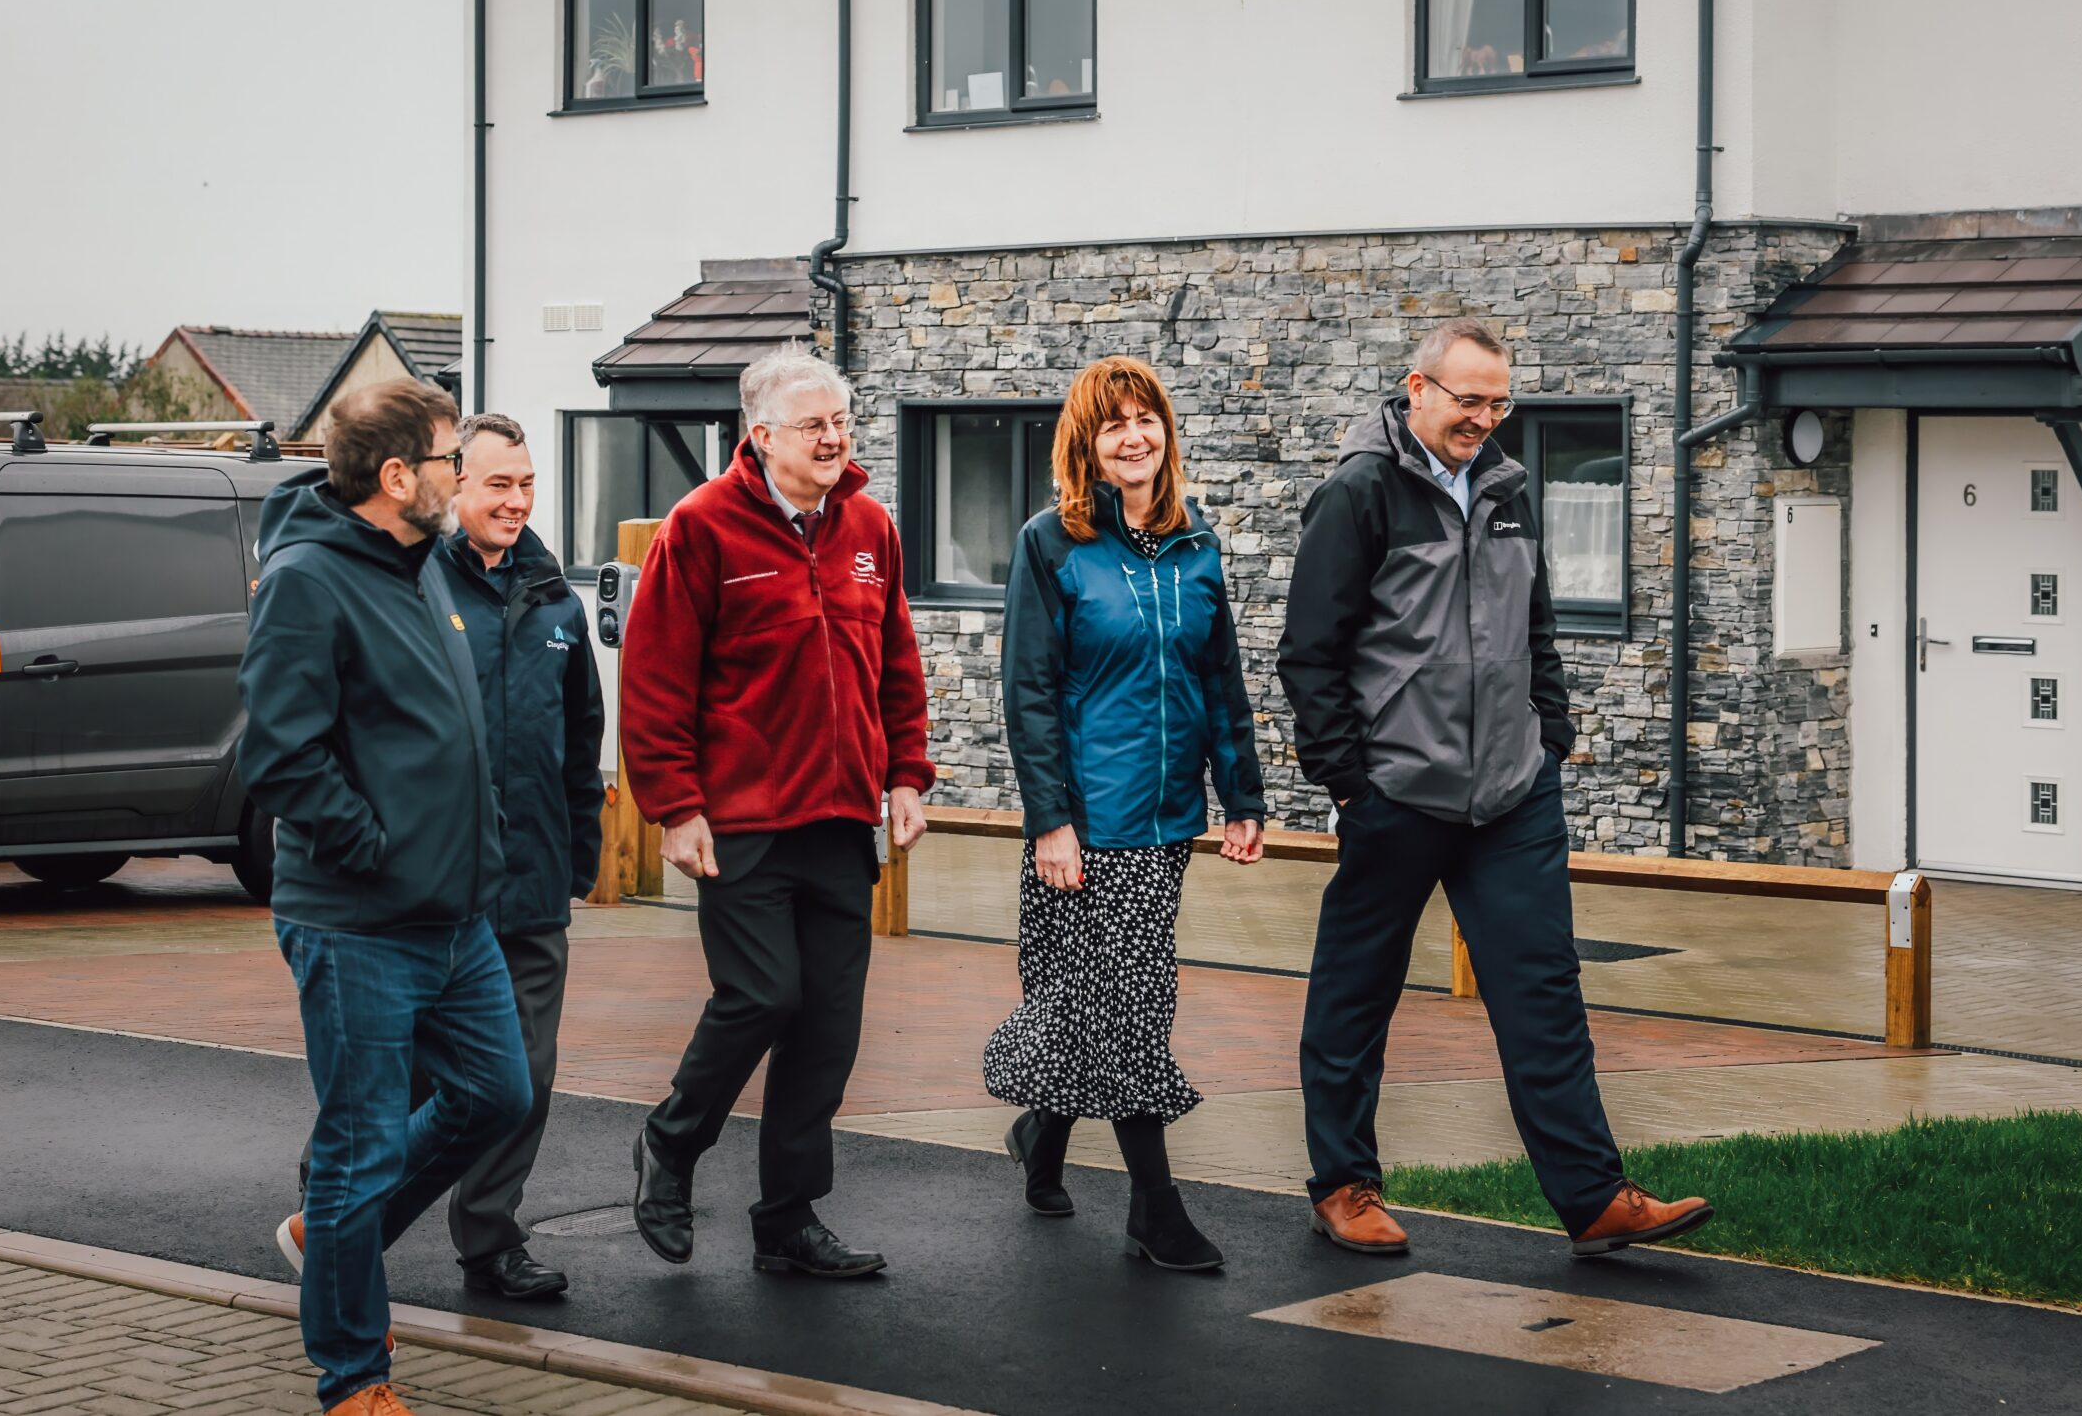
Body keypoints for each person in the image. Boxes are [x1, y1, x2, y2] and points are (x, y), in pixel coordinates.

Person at [1278, 320, 1712, 1260]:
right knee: (1357, 990)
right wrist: (1350, 781)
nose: (1484, 418)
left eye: (1498, 401)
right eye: (1468, 399)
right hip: (1398, 791)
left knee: (1544, 991)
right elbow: (1309, 653)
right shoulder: (1360, 492)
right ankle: (1343, 1185)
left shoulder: (1508, 491)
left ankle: (1594, 1198)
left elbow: (1536, 627)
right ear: (1417, 389)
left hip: (1513, 794)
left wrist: (1548, 734)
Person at [239, 379, 532, 1416]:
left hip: (454, 914)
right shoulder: (311, 578)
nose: (464, 474)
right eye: (452, 456)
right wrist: (373, 850)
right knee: (358, 1148)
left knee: (499, 1094)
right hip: (358, 919)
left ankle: (331, 1237)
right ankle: (352, 1376)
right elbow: (279, 753)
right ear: (399, 474)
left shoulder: (419, 568)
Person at [618, 348, 933, 1279]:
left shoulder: (870, 526)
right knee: (762, 995)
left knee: (829, 1024)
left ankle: (788, 1221)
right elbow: (656, 680)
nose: (834, 437)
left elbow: (897, 663)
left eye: (841, 419)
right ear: (759, 437)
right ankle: (670, 1144)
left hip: (841, 817)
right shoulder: (700, 529)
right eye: (813, 424)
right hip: (744, 819)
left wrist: (906, 775)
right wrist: (674, 806)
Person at [982, 356, 1266, 1272]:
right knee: (1127, 1002)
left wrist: (1244, 797)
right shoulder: (1051, 544)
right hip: (1087, 825)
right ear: (1087, 445)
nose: (1133, 437)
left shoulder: (1197, 546)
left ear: (1165, 435)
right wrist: (1050, 822)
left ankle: (1045, 1138)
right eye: (1113, 426)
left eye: (1147, 420)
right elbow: (1028, 692)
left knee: (1097, 999)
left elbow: (1219, 682)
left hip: (1169, 818)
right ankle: (1155, 1206)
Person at [427, 412, 607, 1298]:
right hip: (431, 892)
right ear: (452, 484)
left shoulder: (557, 602)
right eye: (498, 482)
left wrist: (579, 860)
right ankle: (336, 1208)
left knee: (524, 1076)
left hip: (532, 888)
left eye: (528, 483)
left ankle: (490, 1239)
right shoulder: (414, 587)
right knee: (411, 1074)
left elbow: (581, 742)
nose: (517, 499)